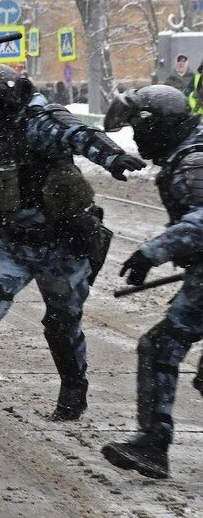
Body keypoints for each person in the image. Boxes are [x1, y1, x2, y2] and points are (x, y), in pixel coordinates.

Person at [0, 47, 146, 421]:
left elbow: (79, 135)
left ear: (6, 99)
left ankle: (73, 391)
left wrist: (113, 157)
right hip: (13, 244)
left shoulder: (39, 123)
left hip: (62, 244)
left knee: (61, 322)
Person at [100, 86, 203, 479]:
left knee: (160, 346)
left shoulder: (194, 161)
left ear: (157, 126)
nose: (137, 139)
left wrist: (152, 252)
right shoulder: (189, 152)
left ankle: (152, 444)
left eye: (139, 129)